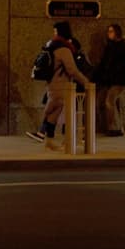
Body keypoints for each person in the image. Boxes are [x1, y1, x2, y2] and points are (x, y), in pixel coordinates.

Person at [38, 21, 93, 151]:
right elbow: (72, 70)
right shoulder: (63, 49)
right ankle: (41, 132)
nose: (54, 34)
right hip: (60, 85)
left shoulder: (52, 46)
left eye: (55, 31)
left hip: (52, 84)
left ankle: (49, 141)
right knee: (50, 111)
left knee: (54, 113)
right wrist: (86, 83)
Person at [94, 23, 125, 136]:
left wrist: (115, 70)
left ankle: (115, 128)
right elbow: (104, 63)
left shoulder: (121, 46)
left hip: (119, 80)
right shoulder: (109, 46)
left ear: (117, 33)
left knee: (109, 102)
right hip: (111, 80)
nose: (108, 34)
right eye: (108, 31)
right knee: (111, 102)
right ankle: (117, 126)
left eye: (111, 31)